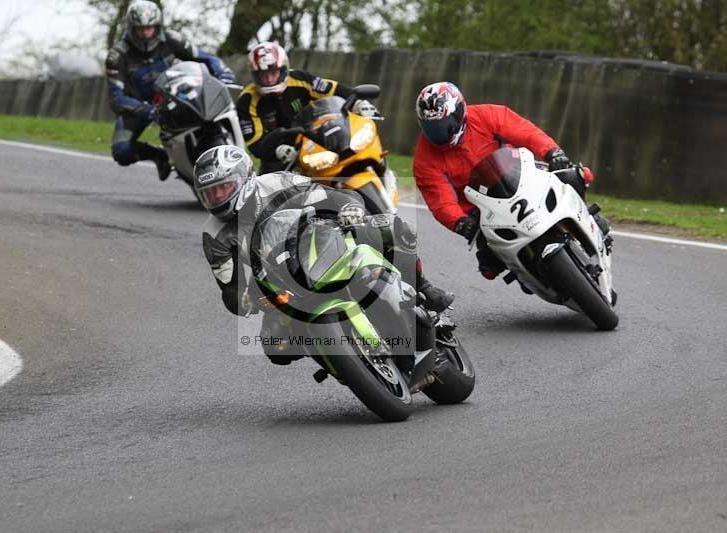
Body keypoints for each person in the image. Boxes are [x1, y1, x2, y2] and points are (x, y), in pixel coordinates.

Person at [194, 145, 453, 365]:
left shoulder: (277, 183)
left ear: (244, 179)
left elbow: (331, 195)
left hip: (319, 243)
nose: (217, 197)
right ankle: (338, 354)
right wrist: (248, 299)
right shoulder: (213, 235)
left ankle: (425, 288)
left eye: (223, 188)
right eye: (210, 193)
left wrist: (349, 207)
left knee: (391, 226)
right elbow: (229, 287)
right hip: (280, 283)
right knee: (276, 347)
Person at [412, 81, 604, 280]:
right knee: (489, 266)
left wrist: (552, 152)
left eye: (444, 125)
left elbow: (525, 132)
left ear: (459, 111)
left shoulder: (486, 114)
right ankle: (526, 272)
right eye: (432, 128)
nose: (440, 134)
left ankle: (591, 219)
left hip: (518, 177)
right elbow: (439, 200)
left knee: (574, 175)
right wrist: (459, 222)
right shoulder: (424, 158)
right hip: (480, 206)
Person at [105, 0, 235, 181]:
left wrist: (223, 71)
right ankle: (159, 156)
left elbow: (206, 58)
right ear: (131, 28)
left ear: (157, 26)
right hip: (140, 107)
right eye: (140, 29)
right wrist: (146, 110)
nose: (145, 34)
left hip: (174, 97)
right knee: (121, 151)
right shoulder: (117, 56)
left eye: (149, 28)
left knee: (213, 115)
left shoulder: (173, 39)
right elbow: (116, 99)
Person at [236, 41, 381, 173]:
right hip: (280, 155)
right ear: (255, 75)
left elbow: (333, 88)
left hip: (315, 140)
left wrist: (359, 102)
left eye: (273, 73)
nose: (268, 79)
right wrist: (278, 150)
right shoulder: (247, 100)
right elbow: (255, 143)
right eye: (263, 75)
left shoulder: (300, 78)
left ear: (283, 69)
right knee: (269, 194)